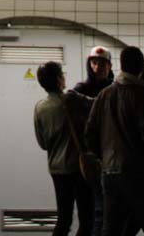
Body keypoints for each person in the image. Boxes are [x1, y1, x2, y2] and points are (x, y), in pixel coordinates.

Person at [86, 45, 144, 236]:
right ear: (140, 67)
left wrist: (104, 158)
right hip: (138, 174)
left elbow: (90, 135)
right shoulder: (142, 95)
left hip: (109, 175)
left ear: (121, 66)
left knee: (113, 231)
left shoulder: (104, 95)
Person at [31, 61, 92, 235]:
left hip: (57, 170)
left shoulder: (39, 107)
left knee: (64, 219)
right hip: (78, 169)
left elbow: (43, 143)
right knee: (87, 220)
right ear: (59, 79)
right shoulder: (72, 100)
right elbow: (98, 106)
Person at [70, 48, 114, 230]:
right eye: (94, 63)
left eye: (102, 63)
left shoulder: (114, 89)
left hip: (111, 156)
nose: (97, 67)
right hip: (90, 158)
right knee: (94, 213)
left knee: (110, 212)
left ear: (109, 65)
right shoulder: (81, 89)